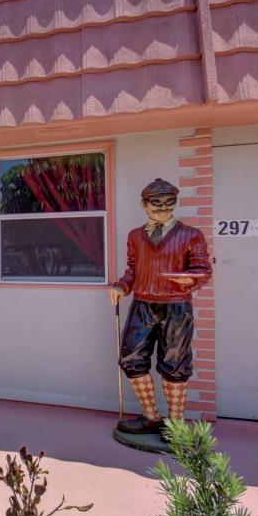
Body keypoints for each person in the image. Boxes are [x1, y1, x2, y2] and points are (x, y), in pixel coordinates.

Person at [108, 178, 211, 435]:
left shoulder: (191, 235)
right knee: (131, 358)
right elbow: (133, 268)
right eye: (156, 203)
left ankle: (175, 424)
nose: (163, 208)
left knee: (175, 364)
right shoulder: (135, 236)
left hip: (176, 307)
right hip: (142, 305)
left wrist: (191, 279)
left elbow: (202, 269)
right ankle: (151, 416)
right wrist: (122, 286)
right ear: (144, 204)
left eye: (169, 202)